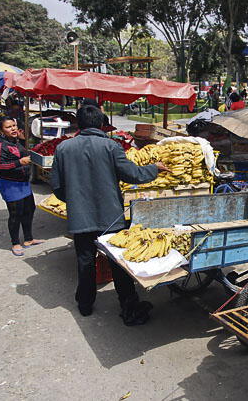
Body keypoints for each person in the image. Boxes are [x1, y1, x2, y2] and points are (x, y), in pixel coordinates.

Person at [50, 105, 169, 324]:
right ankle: (128, 305)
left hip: (80, 218)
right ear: (101, 124)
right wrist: (155, 168)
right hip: (110, 218)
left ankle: (85, 305)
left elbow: (56, 185)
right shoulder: (110, 146)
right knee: (118, 264)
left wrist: (76, 201)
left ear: (79, 123)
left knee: (85, 262)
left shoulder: (63, 148)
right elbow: (132, 174)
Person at [0, 115, 43, 256]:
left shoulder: (16, 140)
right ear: (2, 131)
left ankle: (28, 239)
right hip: (10, 184)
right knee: (15, 214)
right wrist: (19, 162)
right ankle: (15, 243)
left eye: (13, 126)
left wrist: (23, 139)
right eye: (8, 127)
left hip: (23, 183)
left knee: (29, 209)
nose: (13, 129)